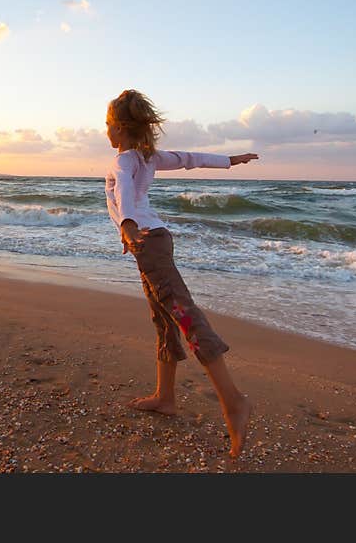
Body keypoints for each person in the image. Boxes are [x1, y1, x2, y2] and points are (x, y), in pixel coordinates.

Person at [104, 89, 258, 458]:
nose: (106, 132)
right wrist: (229, 161)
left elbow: (124, 192)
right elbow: (190, 158)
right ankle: (165, 397)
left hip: (147, 241)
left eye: (108, 125)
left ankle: (234, 401)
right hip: (152, 241)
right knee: (163, 319)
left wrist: (126, 224)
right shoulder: (148, 156)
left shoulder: (126, 160)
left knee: (185, 316)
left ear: (120, 128)